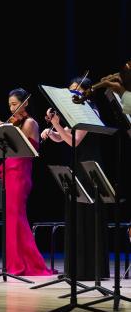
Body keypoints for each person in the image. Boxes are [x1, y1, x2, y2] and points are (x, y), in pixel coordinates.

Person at [0, 88, 51, 276]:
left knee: (17, 218)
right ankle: (13, 263)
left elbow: (23, 147)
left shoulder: (30, 123)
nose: (11, 108)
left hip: (20, 174)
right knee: (10, 219)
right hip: (10, 172)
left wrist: (5, 132)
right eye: (10, 104)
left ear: (25, 103)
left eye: (15, 104)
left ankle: (27, 263)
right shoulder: (14, 124)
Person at [41, 77, 109, 280]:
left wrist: (56, 125)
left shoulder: (91, 111)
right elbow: (64, 137)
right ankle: (76, 268)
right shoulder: (77, 111)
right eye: (70, 92)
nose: (73, 95)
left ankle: (89, 269)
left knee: (87, 215)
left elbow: (75, 141)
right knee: (76, 213)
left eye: (76, 92)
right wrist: (52, 131)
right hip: (79, 167)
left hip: (90, 169)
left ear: (87, 92)